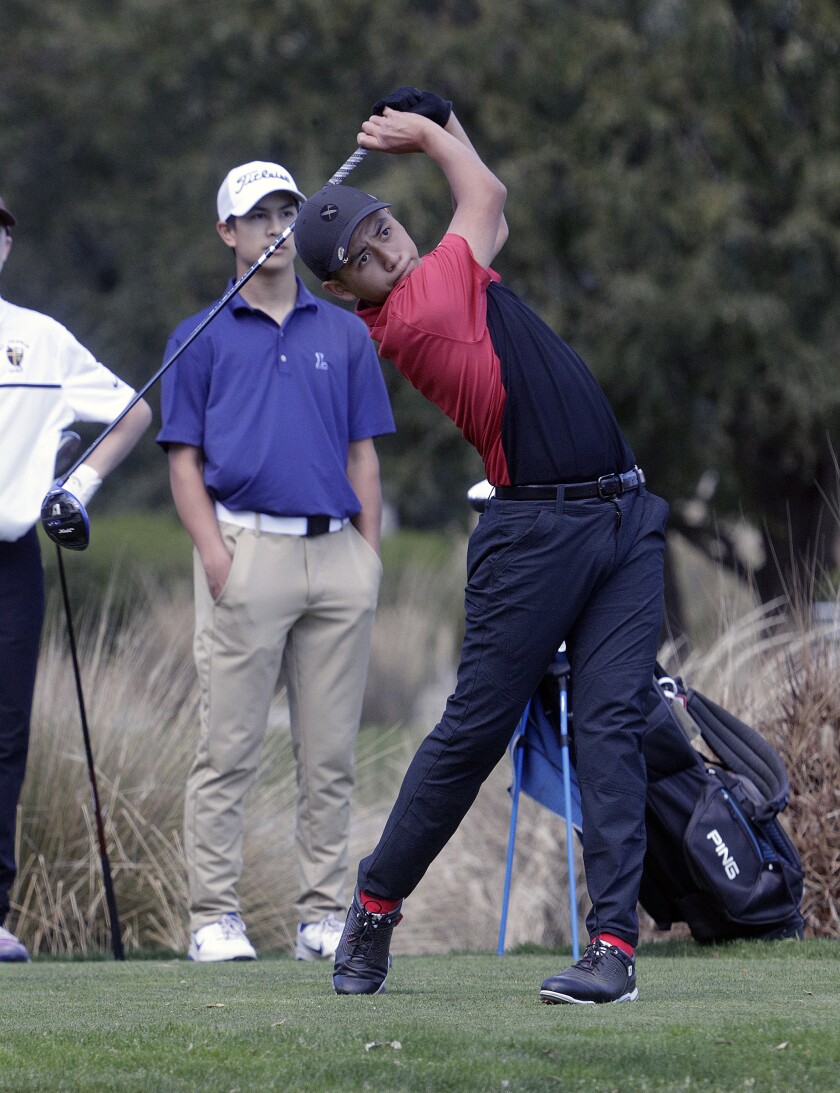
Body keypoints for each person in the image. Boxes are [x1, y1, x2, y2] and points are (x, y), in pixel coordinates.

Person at [293, 88, 669, 1003]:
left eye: (385, 226)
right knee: (472, 735)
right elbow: (488, 201)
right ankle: (374, 907)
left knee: (612, 727)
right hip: (534, 536)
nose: (388, 247)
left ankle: (613, 949)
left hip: (624, 517)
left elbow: (481, 194)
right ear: (346, 293)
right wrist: (425, 136)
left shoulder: (446, 276)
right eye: (363, 256)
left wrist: (443, 122)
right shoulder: (418, 311)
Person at [157, 161, 395, 963]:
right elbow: (182, 462)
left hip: (336, 555)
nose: (274, 229)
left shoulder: (344, 332)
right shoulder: (197, 335)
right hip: (245, 551)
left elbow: (364, 454)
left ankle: (323, 914)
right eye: (256, 216)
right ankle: (212, 915)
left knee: (328, 756)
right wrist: (218, 559)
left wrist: (367, 556)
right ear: (227, 231)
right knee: (228, 750)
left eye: (286, 213)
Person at [0, 194, 152, 963]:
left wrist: (77, 484)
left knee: (4, 737)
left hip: (10, 557)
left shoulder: (40, 340)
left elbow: (132, 410)